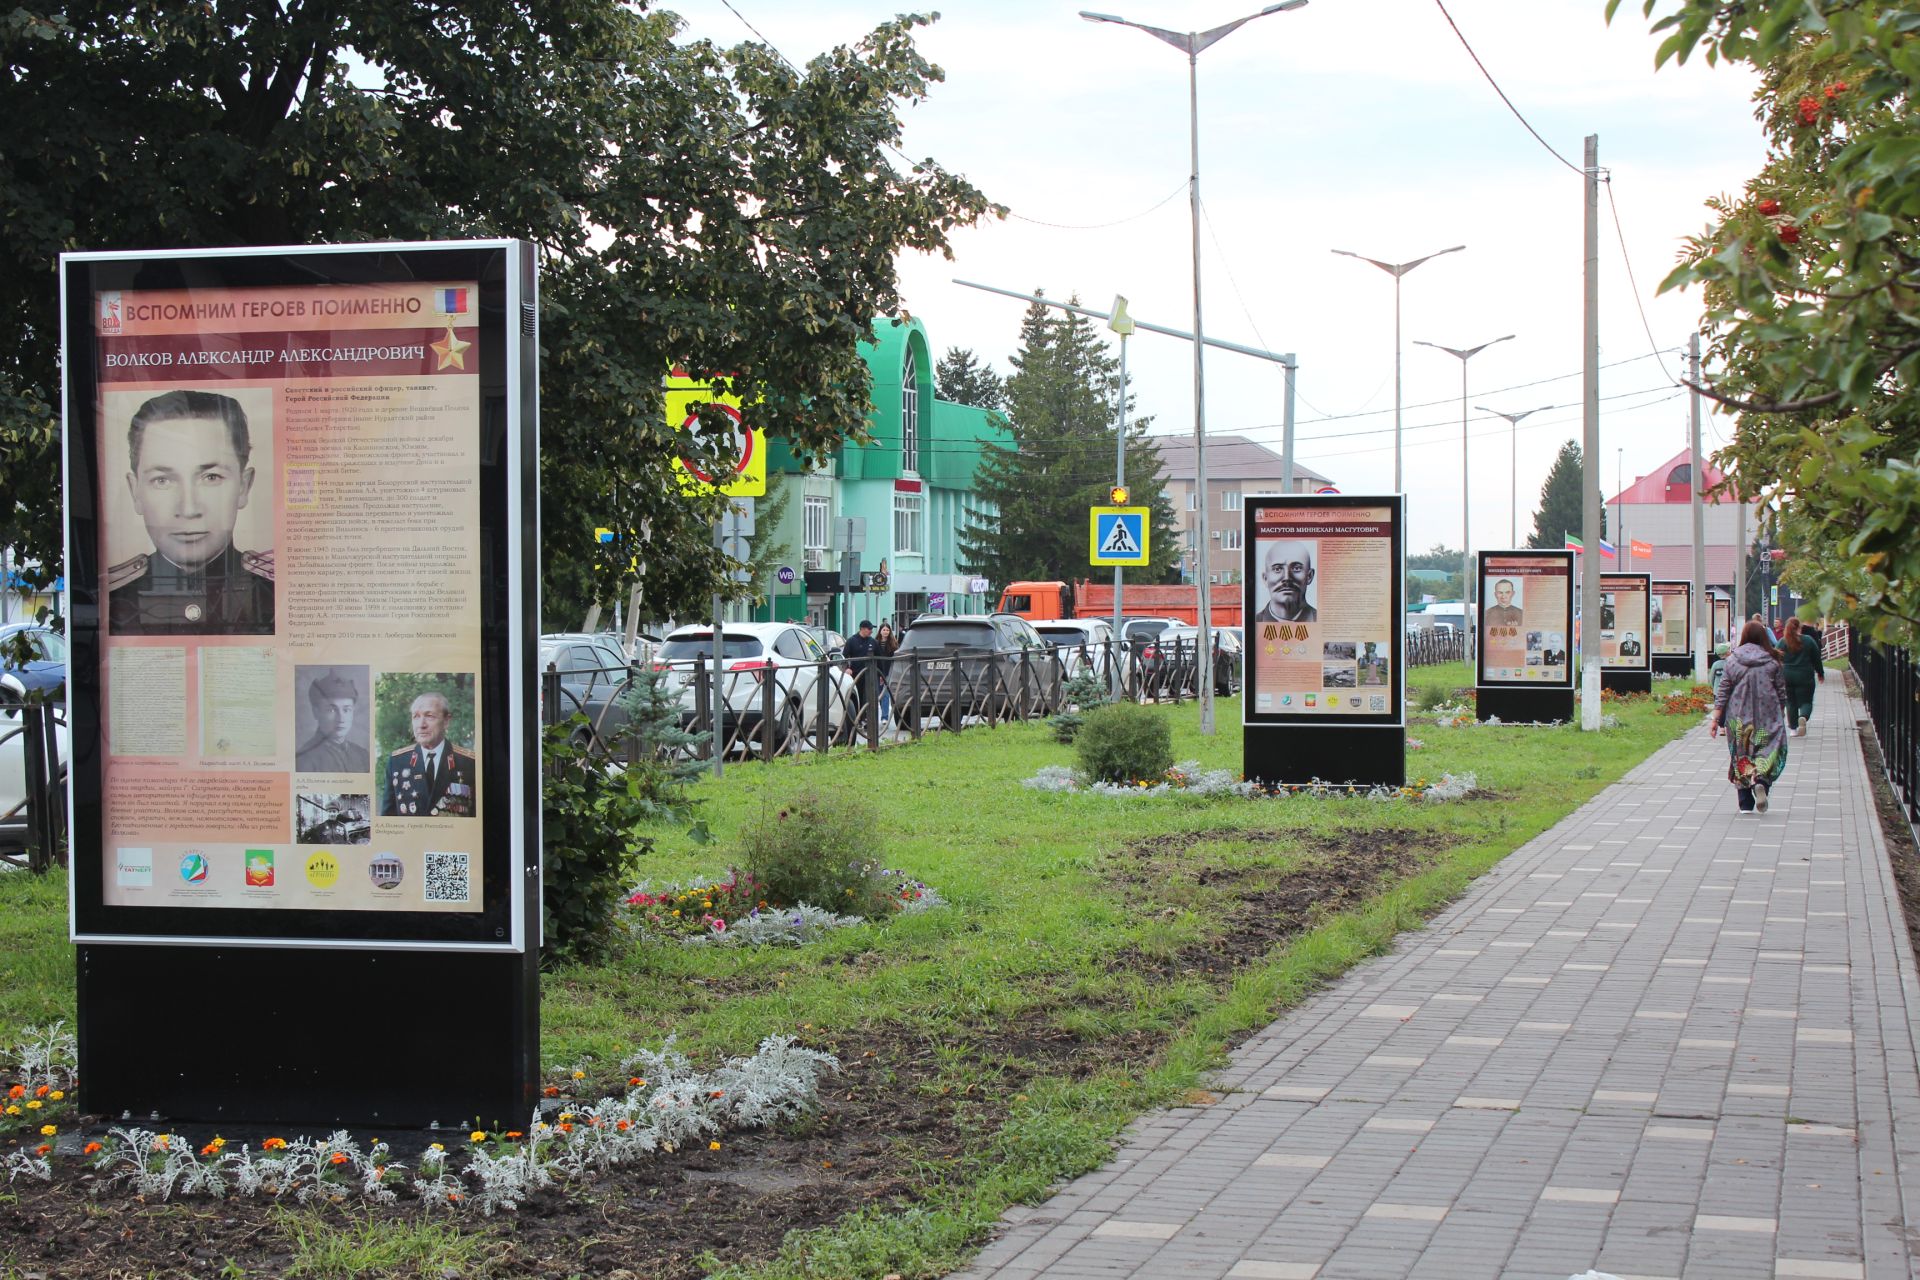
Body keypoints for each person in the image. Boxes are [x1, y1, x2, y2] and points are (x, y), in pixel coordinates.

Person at [108, 389, 274, 635]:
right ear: (135, 492)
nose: (188, 508)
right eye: (162, 480)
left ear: (243, 486)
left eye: (211, 477)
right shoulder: (114, 599)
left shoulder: (275, 595)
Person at [1710, 620, 1789, 814]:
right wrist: (1780, 712)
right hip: (1768, 715)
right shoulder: (1772, 661)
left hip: (1738, 716)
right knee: (1768, 750)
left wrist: (1715, 719)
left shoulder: (1733, 661)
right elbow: (1781, 693)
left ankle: (1745, 803)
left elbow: (1723, 692)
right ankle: (1761, 782)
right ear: (1763, 636)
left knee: (1742, 754)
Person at [383, 690, 476, 816]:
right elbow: (388, 817)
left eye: (429, 716)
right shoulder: (397, 762)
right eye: (416, 716)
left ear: (446, 721)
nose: (421, 725)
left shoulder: (469, 763)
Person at [296, 669, 369, 773]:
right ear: (316, 712)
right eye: (331, 710)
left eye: (346, 710)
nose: (341, 718)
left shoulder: (363, 755)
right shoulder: (304, 759)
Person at [1779, 616, 1826, 736]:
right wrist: (1820, 673)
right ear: (1800, 627)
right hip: (1805, 675)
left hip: (1787, 675)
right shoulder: (1808, 640)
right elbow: (1816, 658)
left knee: (1790, 702)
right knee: (1806, 701)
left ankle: (1793, 729)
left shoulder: (1783, 641)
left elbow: (1775, 658)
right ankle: (1803, 717)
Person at [1256, 540, 1317, 623]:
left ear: (1309, 576)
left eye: (1296, 568)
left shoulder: (1324, 622)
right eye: (1277, 569)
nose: (1287, 578)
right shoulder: (1254, 622)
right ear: (1265, 578)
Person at [843, 620, 878, 728]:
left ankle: (866, 719)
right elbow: (844, 657)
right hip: (855, 675)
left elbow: (879, 658)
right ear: (862, 629)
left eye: (872, 629)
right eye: (869, 629)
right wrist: (847, 668)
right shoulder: (851, 641)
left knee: (868, 697)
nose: (871, 631)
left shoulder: (873, 641)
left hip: (869, 675)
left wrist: (882, 675)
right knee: (857, 697)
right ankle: (856, 719)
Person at [872, 622, 898, 727]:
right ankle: (875, 716)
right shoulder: (875, 643)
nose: (886, 632)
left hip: (888, 671)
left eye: (887, 630)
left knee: (885, 694)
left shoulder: (893, 643)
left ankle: (884, 717)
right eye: (884, 630)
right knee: (877, 694)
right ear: (880, 631)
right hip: (877, 671)